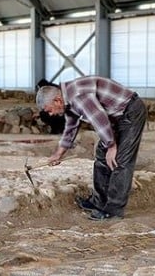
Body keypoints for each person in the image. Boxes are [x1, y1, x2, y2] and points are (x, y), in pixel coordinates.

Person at [36, 76, 147, 220]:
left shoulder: (78, 96)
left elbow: (99, 117)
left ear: (57, 100)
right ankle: (98, 202)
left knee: (120, 160)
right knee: (101, 155)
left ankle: (113, 210)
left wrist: (111, 146)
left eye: (50, 110)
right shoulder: (67, 100)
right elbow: (71, 127)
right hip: (115, 117)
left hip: (130, 112)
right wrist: (59, 154)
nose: (51, 114)